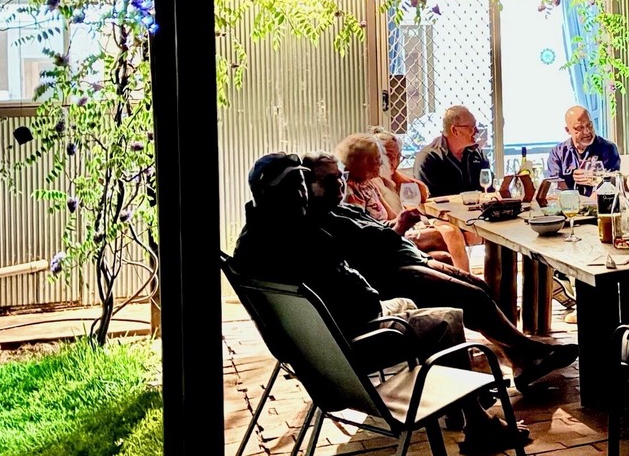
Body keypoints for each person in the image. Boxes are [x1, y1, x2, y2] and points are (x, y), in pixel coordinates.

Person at [232, 153, 529, 453]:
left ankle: (461, 406)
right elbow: (361, 301)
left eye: (301, 184)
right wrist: (384, 303)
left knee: (425, 298)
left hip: (313, 355)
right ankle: (476, 423)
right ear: (268, 193)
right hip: (353, 344)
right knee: (446, 318)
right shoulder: (301, 238)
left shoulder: (248, 243)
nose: (300, 194)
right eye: (292, 186)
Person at [303, 151, 579, 392]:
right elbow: (370, 254)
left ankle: (520, 361)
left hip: (409, 261)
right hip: (395, 276)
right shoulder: (321, 221)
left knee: (480, 287)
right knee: (474, 298)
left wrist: (403, 232)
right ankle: (529, 351)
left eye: (341, 176)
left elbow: (377, 233)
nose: (338, 183)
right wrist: (400, 227)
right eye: (329, 180)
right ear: (306, 185)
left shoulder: (341, 209)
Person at [336, 132, 471, 271]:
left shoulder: (368, 184)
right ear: (362, 161)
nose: (382, 162)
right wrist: (400, 225)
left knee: (445, 255)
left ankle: (470, 283)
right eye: (377, 158)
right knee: (444, 237)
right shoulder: (349, 191)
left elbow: (391, 216)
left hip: (390, 234)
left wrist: (404, 219)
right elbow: (365, 237)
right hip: (380, 247)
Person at [415, 105, 491, 197]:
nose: (477, 131)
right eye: (471, 127)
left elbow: (489, 189)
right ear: (455, 130)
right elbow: (429, 200)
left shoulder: (477, 154)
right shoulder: (429, 158)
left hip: (478, 210)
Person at [544, 105, 621, 192]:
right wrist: (572, 181)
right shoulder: (557, 153)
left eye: (589, 125)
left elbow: (613, 183)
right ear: (568, 130)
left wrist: (596, 179)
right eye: (580, 128)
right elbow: (554, 185)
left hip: (600, 203)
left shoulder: (608, 148)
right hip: (568, 204)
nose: (587, 131)